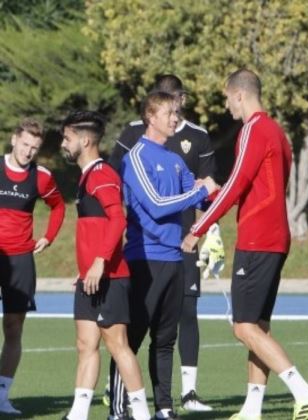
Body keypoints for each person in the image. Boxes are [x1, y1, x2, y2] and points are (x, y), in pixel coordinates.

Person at [182, 69, 308, 420]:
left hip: (257, 237)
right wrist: (221, 190)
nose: (227, 105)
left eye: (227, 98)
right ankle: (253, 407)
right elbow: (256, 185)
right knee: (257, 326)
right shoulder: (278, 132)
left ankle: (303, 391)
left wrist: (199, 227)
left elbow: (237, 185)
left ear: (240, 95)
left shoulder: (253, 129)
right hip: (276, 237)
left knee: (243, 326)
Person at [108, 74, 215, 413]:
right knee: (132, 337)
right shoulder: (137, 156)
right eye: (170, 113)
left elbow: (203, 198)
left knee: (165, 340)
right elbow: (156, 205)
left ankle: (164, 407)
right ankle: (118, 405)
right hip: (145, 258)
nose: (175, 118)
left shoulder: (175, 159)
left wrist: (209, 196)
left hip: (175, 258)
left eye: (176, 112)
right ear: (151, 116)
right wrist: (200, 190)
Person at [60, 111, 152, 420]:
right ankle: (78, 413)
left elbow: (118, 219)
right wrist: (87, 265)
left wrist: (99, 262)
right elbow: (95, 228)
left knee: (118, 345)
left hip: (110, 276)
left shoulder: (102, 175)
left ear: (84, 141)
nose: (63, 143)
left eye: (67, 138)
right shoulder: (86, 176)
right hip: (89, 278)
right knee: (85, 344)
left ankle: (140, 414)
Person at [0, 119, 65, 415]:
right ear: (14, 140)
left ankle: (2, 396)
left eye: (34, 148)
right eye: (25, 145)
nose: (28, 152)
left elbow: (59, 206)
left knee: (13, 328)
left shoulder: (41, 177)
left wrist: (48, 237)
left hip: (21, 259)